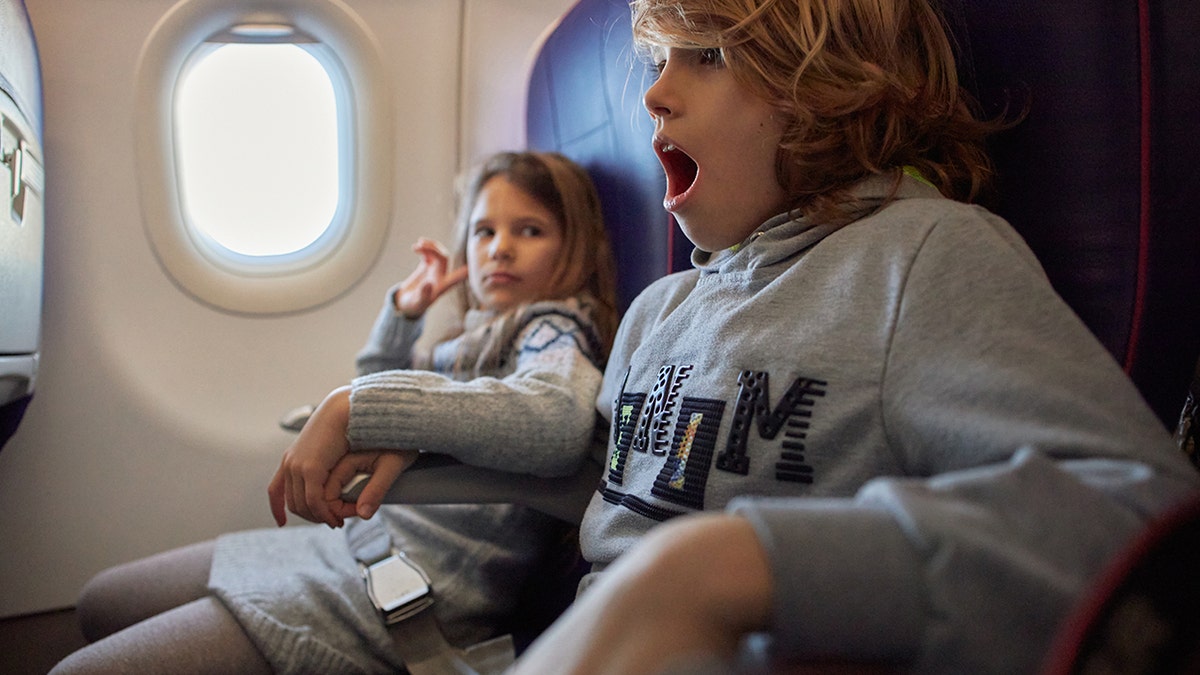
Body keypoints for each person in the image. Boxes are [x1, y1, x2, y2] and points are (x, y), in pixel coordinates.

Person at [509, 1, 1200, 673]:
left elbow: (1136, 515)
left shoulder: (917, 257)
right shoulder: (658, 308)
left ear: (826, 90)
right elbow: (607, 475)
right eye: (660, 61)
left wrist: (721, 567)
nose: (656, 93)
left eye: (710, 56)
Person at [52, 150, 619, 675]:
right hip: (360, 544)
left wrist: (365, 409)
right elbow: (379, 378)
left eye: (531, 230)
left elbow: (558, 418)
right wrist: (405, 313)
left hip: (412, 587)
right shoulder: (472, 335)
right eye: (484, 230)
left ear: (572, 249)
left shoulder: (553, 327)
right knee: (101, 600)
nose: (499, 248)